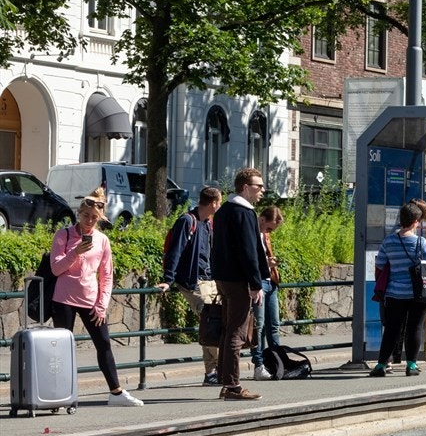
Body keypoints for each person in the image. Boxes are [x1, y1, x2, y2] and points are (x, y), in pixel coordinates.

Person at [50, 186, 142, 407]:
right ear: (78, 214)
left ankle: (116, 392)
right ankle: (59, 394)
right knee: (62, 349)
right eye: (85, 216)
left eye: (94, 217)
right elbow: (55, 269)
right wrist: (75, 252)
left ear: (100, 218)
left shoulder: (102, 240)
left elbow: (107, 276)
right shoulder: (63, 235)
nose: (89, 220)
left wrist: (102, 305)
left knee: (104, 344)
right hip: (63, 299)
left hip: (91, 299)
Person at [210, 168, 269, 401]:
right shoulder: (244, 212)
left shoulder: (224, 210)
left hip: (223, 277)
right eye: (258, 186)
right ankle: (233, 385)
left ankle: (226, 380)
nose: (262, 190)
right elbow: (249, 251)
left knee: (228, 329)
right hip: (238, 279)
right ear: (245, 187)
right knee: (237, 331)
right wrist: (256, 282)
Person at [157, 185, 222, 385]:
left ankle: (212, 372)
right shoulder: (188, 221)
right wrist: (168, 280)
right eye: (219, 202)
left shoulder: (208, 224)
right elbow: (175, 251)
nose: (220, 206)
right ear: (213, 203)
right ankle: (219, 367)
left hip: (209, 279)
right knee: (210, 320)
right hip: (192, 281)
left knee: (213, 322)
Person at [372, 200, 426, 376]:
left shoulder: (388, 241)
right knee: (415, 328)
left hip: (394, 294)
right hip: (417, 294)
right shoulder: (420, 243)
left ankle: (381, 365)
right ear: (415, 222)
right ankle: (411, 365)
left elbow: (380, 265)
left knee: (392, 329)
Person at [248, 205, 285, 379]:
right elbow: (250, 258)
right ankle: (259, 364)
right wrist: (265, 264)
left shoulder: (265, 235)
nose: (270, 231)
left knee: (274, 325)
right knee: (259, 326)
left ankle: (277, 361)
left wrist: (270, 262)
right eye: (269, 227)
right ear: (262, 219)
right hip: (259, 282)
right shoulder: (251, 232)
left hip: (271, 281)